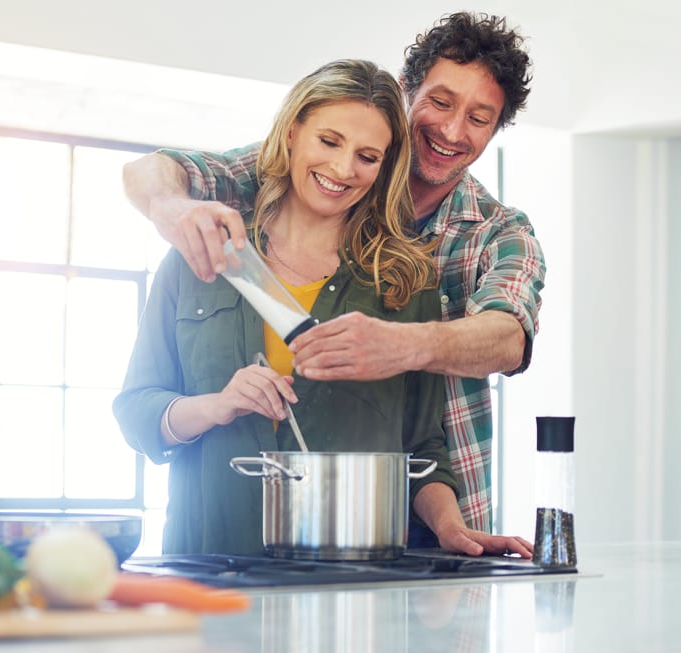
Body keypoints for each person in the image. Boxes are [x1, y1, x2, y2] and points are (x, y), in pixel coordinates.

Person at [122, 12, 546, 536]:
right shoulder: (213, 250)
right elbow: (160, 173)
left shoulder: (436, 265)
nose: (343, 169)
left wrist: (405, 346)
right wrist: (171, 209)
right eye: (440, 102)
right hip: (209, 559)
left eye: (479, 118)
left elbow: (504, 341)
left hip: (379, 556)